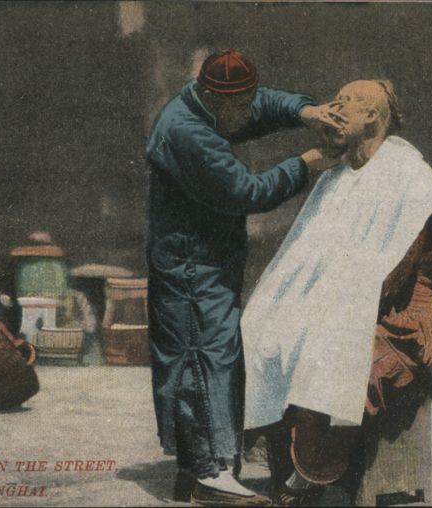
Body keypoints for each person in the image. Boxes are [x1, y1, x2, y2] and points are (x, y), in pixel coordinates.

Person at [145, 49, 346, 506]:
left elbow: (260, 105)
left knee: (205, 357)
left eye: (248, 101)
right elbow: (245, 192)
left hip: (201, 259)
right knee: (204, 359)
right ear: (211, 96)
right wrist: (306, 163)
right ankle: (211, 476)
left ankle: (198, 469)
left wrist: (304, 109)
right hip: (190, 265)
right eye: (238, 106)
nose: (246, 114)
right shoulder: (188, 132)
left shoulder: (208, 106)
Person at [240, 80, 432, 505]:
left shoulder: (409, 176)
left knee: (326, 345)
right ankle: (290, 461)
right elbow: (306, 258)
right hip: (338, 303)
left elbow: (390, 274)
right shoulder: (337, 175)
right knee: (259, 324)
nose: (331, 109)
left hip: (397, 312)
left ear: (372, 114)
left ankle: (313, 476)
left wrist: (321, 306)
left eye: (344, 102)